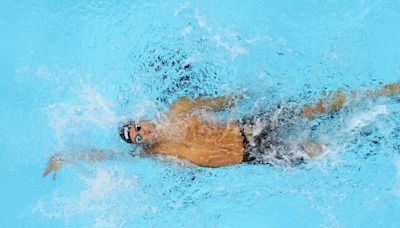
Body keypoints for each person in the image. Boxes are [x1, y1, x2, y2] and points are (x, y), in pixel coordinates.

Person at [43, 81, 400, 180]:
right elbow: (109, 158)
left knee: (314, 108)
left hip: (252, 127)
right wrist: (67, 157)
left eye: (138, 128)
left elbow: (223, 101)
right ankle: (375, 125)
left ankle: (384, 92)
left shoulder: (179, 110)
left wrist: (256, 94)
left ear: (142, 119)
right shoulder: (159, 153)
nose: (142, 134)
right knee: (321, 151)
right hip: (253, 156)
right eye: (136, 138)